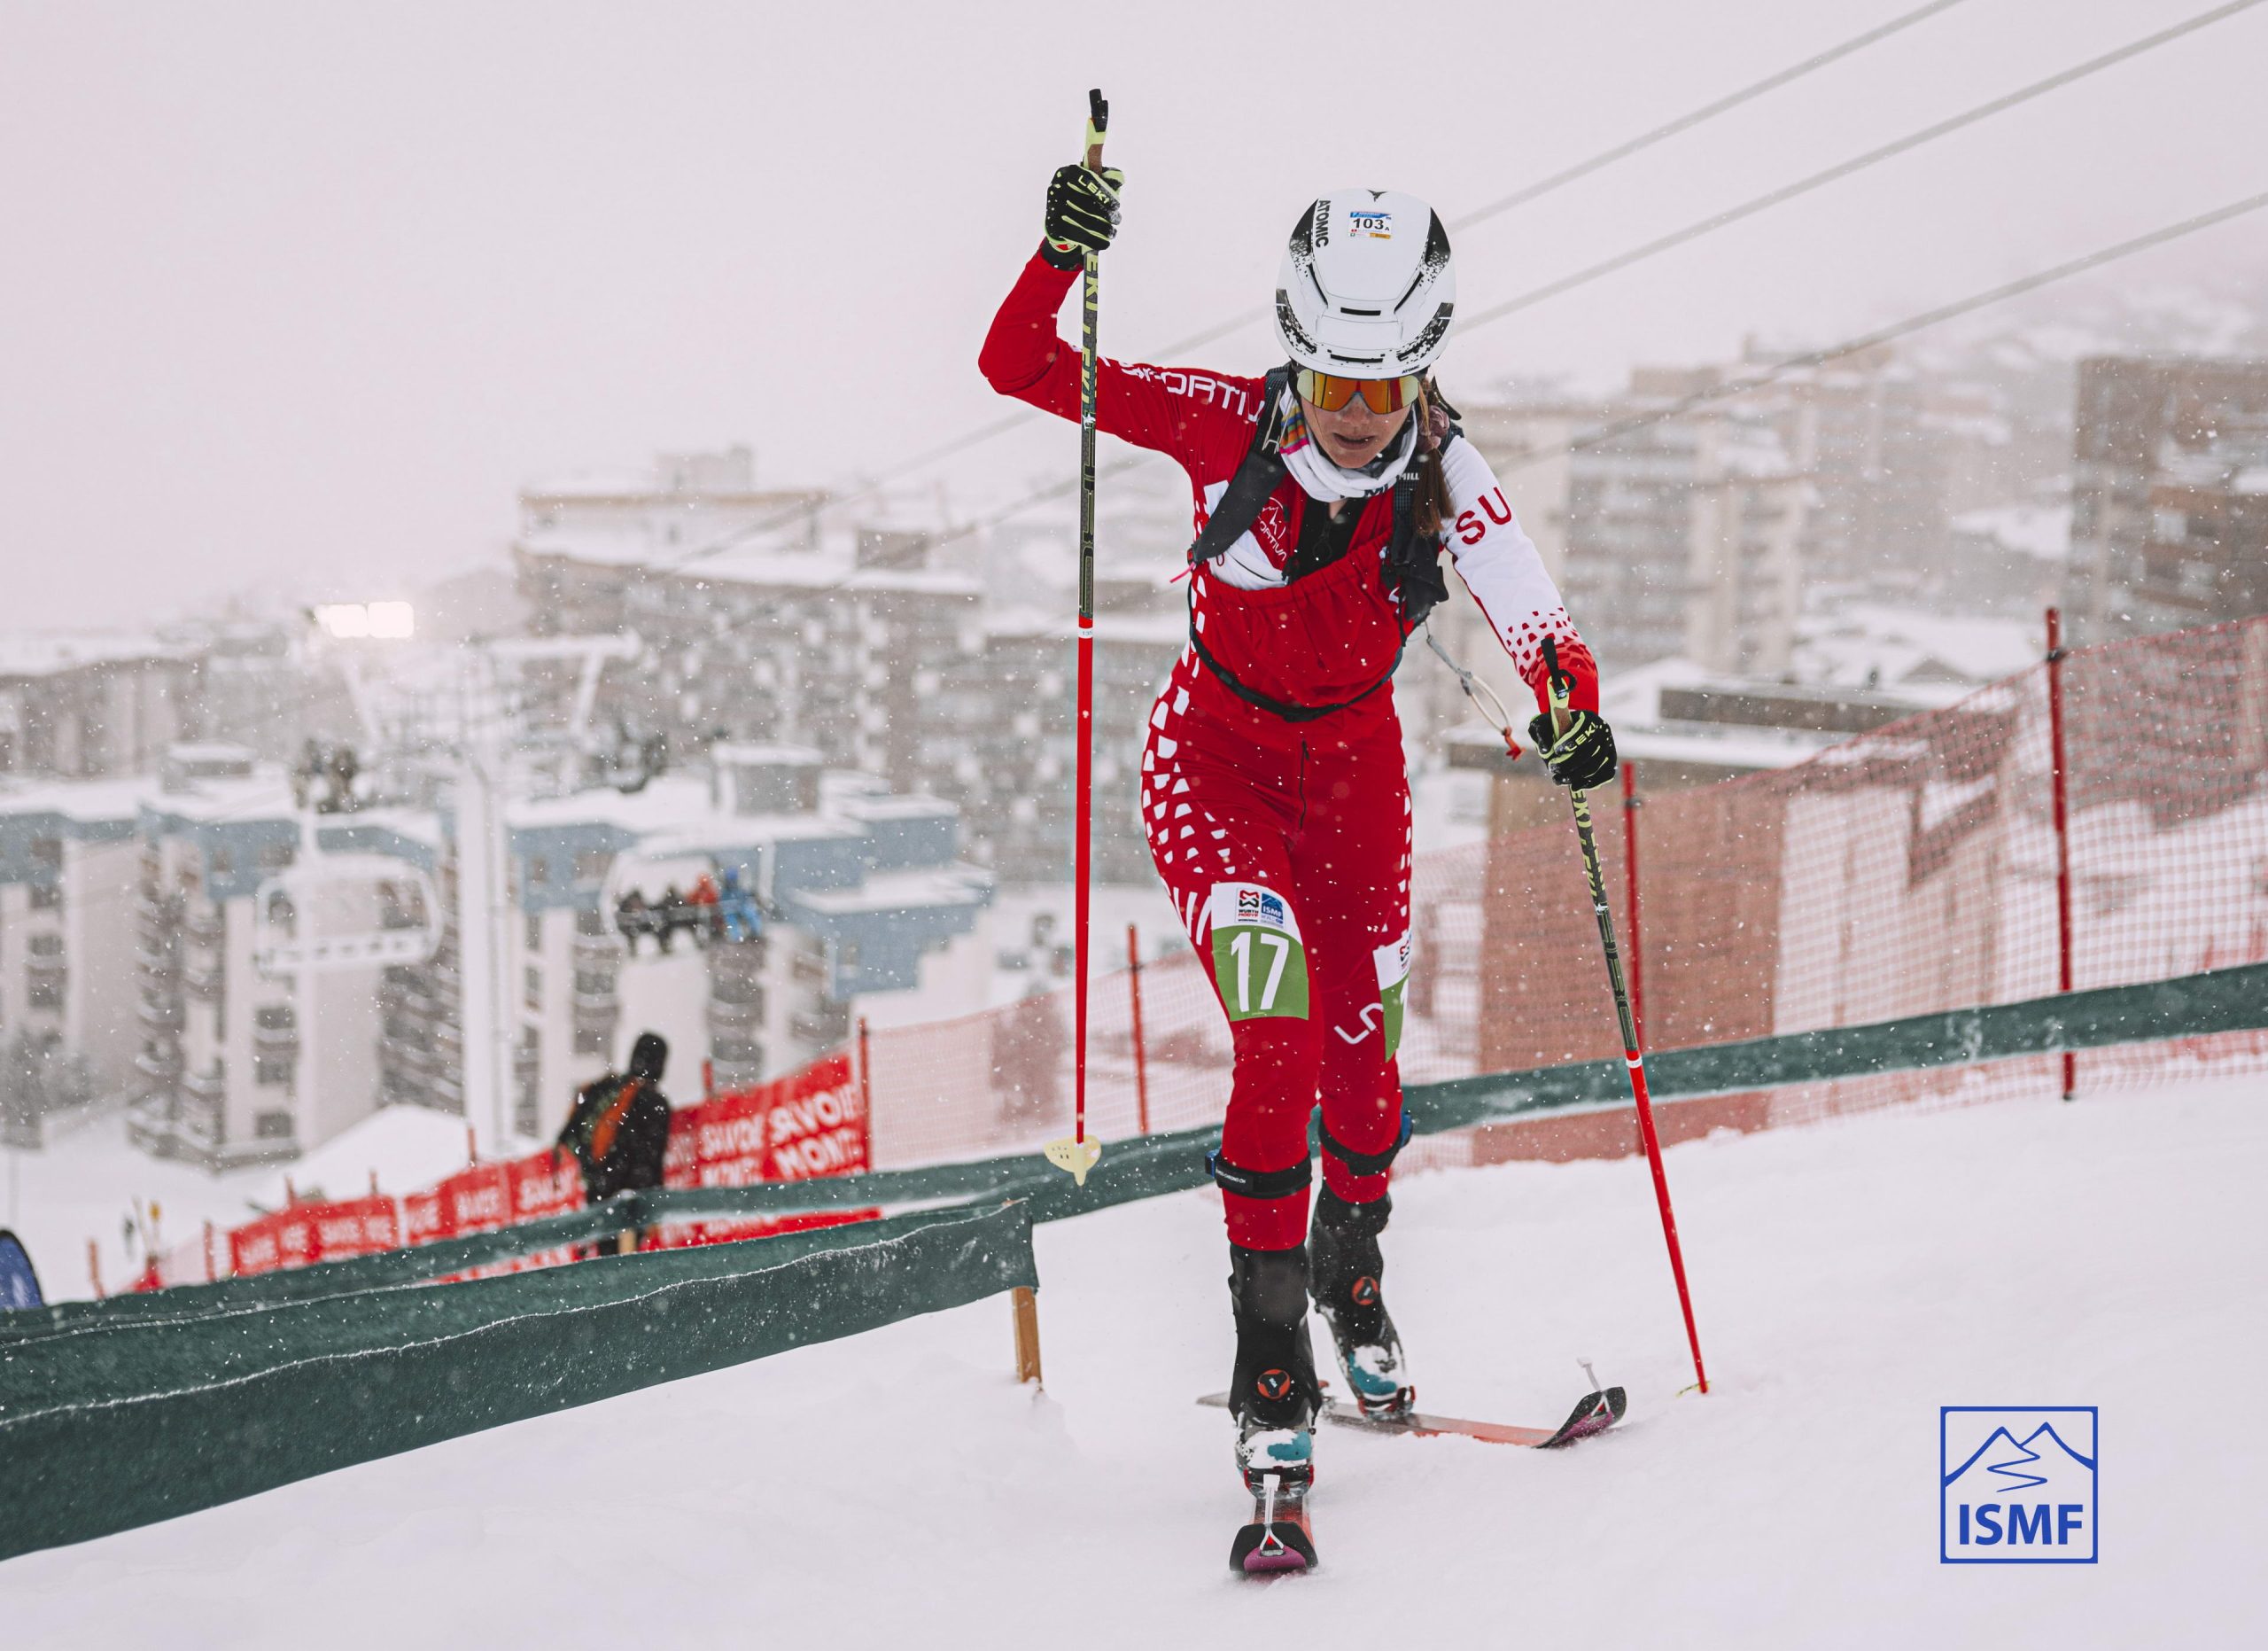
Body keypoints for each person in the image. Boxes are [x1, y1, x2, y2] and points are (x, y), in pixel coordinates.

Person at [981, 167, 1617, 1494]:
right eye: (1331, 386)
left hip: (1353, 776)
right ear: (1295, 353)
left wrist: (1573, 712)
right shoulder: (1223, 420)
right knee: (1277, 1038)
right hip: (1213, 759)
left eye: (1382, 391)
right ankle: (1272, 1360)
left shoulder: (1447, 467)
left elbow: (1541, 624)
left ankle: (1352, 1277)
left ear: (1422, 368)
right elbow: (1018, 363)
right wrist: (1056, 252)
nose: (1353, 417)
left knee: (1363, 1061)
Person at [555, 1032, 673, 1255]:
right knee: (623, 1273)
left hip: (597, 1191)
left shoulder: (607, 1089)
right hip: (628, 1200)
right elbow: (650, 1158)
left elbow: (572, 1135)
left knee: (603, 1268)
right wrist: (654, 1205)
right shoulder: (654, 1103)